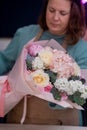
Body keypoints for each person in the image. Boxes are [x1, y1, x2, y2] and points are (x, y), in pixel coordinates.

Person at [0, 0, 87, 126]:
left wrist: (46, 90)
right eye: (51, 10)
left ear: (73, 15)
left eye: (62, 13)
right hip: (20, 120)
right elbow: (4, 60)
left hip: (61, 123)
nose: (55, 17)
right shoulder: (25, 34)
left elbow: (81, 91)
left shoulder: (81, 48)